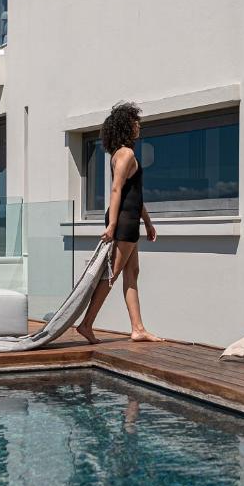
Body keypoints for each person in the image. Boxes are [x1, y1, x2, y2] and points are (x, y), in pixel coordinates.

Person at [77, 101, 163, 344]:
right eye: (135, 122)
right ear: (126, 125)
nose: (139, 126)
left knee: (132, 272)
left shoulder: (120, 154)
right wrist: (113, 225)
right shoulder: (126, 154)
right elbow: (116, 189)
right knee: (113, 274)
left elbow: (133, 193)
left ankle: (137, 328)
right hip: (124, 221)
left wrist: (147, 221)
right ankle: (86, 323)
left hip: (129, 219)